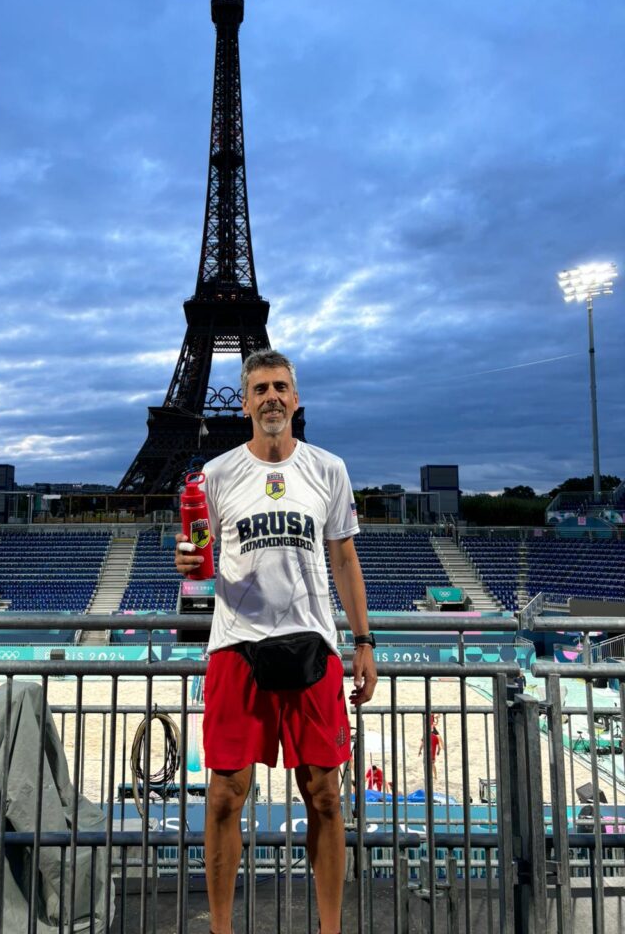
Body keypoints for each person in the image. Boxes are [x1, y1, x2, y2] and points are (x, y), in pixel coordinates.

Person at [176, 349, 377, 934]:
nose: (270, 397)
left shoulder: (329, 469)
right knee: (223, 797)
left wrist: (362, 641)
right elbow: (195, 560)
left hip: (313, 645)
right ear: (244, 402)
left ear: (295, 399)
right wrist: (184, 560)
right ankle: (220, 929)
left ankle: (330, 929)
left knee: (326, 795)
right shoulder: (215, 475)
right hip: (236, 645)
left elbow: (344, 557)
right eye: (260, 388)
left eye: (280, 387)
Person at [418, 713, 445, 780]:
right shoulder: (431, 733)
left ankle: (433, 776)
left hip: (429, 753)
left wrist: (420, 750)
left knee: (429, 764)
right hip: (431, 753)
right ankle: (434, 776)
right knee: (432, 764)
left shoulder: (427, 733)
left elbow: (422, 744)